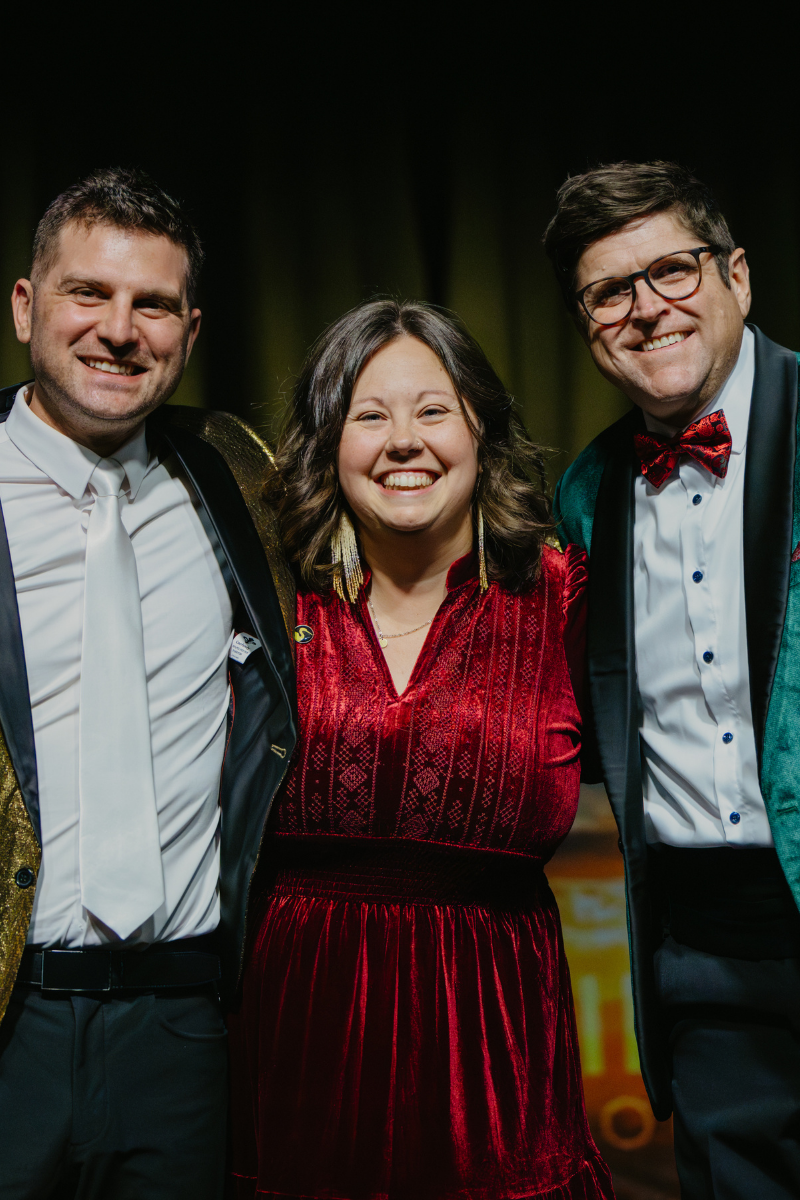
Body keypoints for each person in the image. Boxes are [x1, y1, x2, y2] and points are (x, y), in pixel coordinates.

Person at [226, 299, 614, 1200]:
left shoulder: (564, 599)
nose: (405, 440)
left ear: (482, 425)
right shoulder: (266, 599)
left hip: (493, 1058)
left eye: (433, 410)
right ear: (329, 443)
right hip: (293, 1042)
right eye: (370, 416)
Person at [0, 167, 295, 1199]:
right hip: (12, 1021)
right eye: (89, 294)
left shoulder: (238, 480)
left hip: (182, 1022)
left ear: (191, 329)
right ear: (27, 305)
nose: (120, 330)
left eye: (153, 305)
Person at [546, 160, 800, 1198]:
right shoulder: (586, 495)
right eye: (610, 290)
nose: (645, 308)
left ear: (735, 275)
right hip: (700, 949)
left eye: (671, 270)